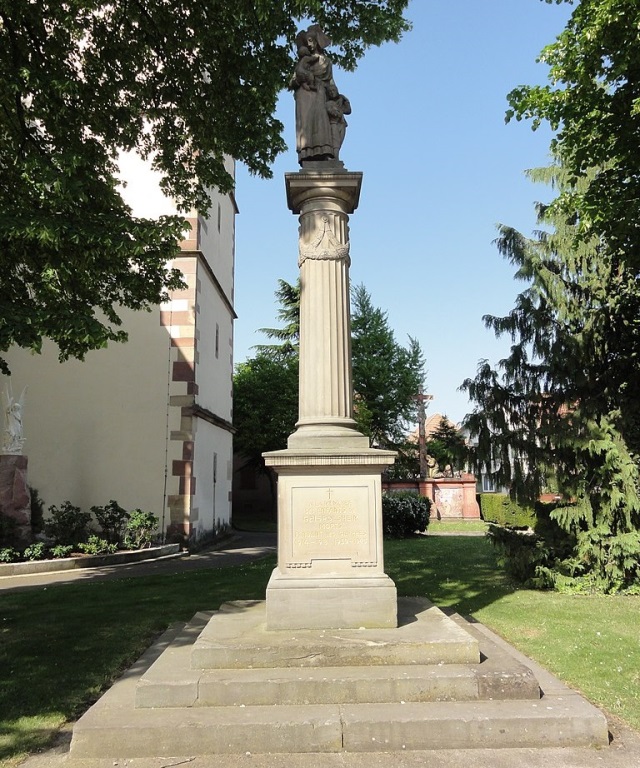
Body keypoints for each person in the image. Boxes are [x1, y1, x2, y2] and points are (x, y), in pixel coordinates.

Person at [290, 26, 336, 164]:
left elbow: (331, 82)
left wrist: (335, 95)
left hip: (320, 93)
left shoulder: (326, 61)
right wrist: (302, 78)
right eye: (307, 41)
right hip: (304, 96)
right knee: (306, 125)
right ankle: (307, 154)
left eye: (311, 40)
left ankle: (324, 151)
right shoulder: (304, 60)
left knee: (321, 122)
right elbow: (292, 82)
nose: (309, 44)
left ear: (317, 41)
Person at [325, 84, 351, 160]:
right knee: (334, 140)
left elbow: (348, 111)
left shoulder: (341, 99)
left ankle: (335, 156)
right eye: (330, 92)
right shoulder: (328, 103)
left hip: (341, 123)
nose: (332, 93)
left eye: (333, 90)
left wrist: (346, 102)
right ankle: (334, 157)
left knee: (339, 141)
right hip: (333, 123)